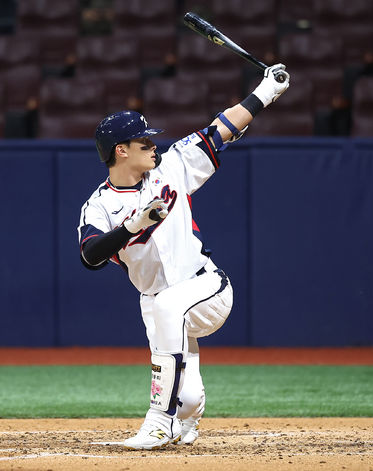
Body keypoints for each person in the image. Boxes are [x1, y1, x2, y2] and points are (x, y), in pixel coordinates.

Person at [77, 64, 290, 449]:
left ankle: (158, 422)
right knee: (186, 397)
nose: (154, 145)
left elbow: (219, 129)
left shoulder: (173, 165)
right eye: (144, 143)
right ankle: (183, 422)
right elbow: (90, 255)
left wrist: (266, 92)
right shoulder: (99, 206)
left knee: (169, 306)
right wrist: (130, 227)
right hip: (156, 301)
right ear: (120, 151)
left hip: (206, 287)